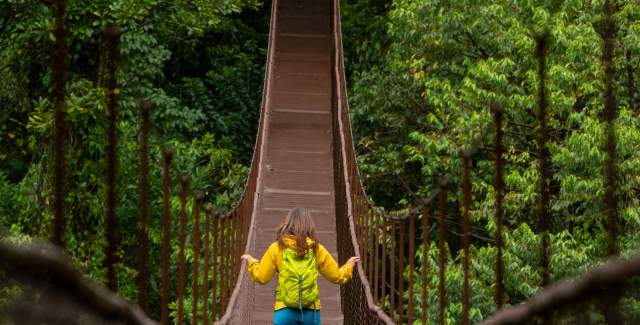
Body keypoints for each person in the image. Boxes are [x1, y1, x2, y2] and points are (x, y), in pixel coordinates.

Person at [241, 207, 359, 325]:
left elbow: (261, 277)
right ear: (309, 226)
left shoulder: (277, 248)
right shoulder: (316, 249)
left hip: (284, 312)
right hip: (311, 313)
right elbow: (337, 276)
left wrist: (252, 262)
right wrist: (349, 266)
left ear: (288, 224)